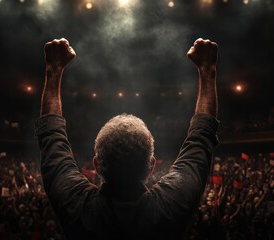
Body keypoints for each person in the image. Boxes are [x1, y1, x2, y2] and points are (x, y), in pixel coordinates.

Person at [35, 37, 219, 239]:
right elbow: (201, 139)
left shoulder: (76, 206)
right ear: (151, 166)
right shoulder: (169, 207)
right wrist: (206, 71)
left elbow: (51, 137)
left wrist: (53, 71)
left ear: (96, 165)